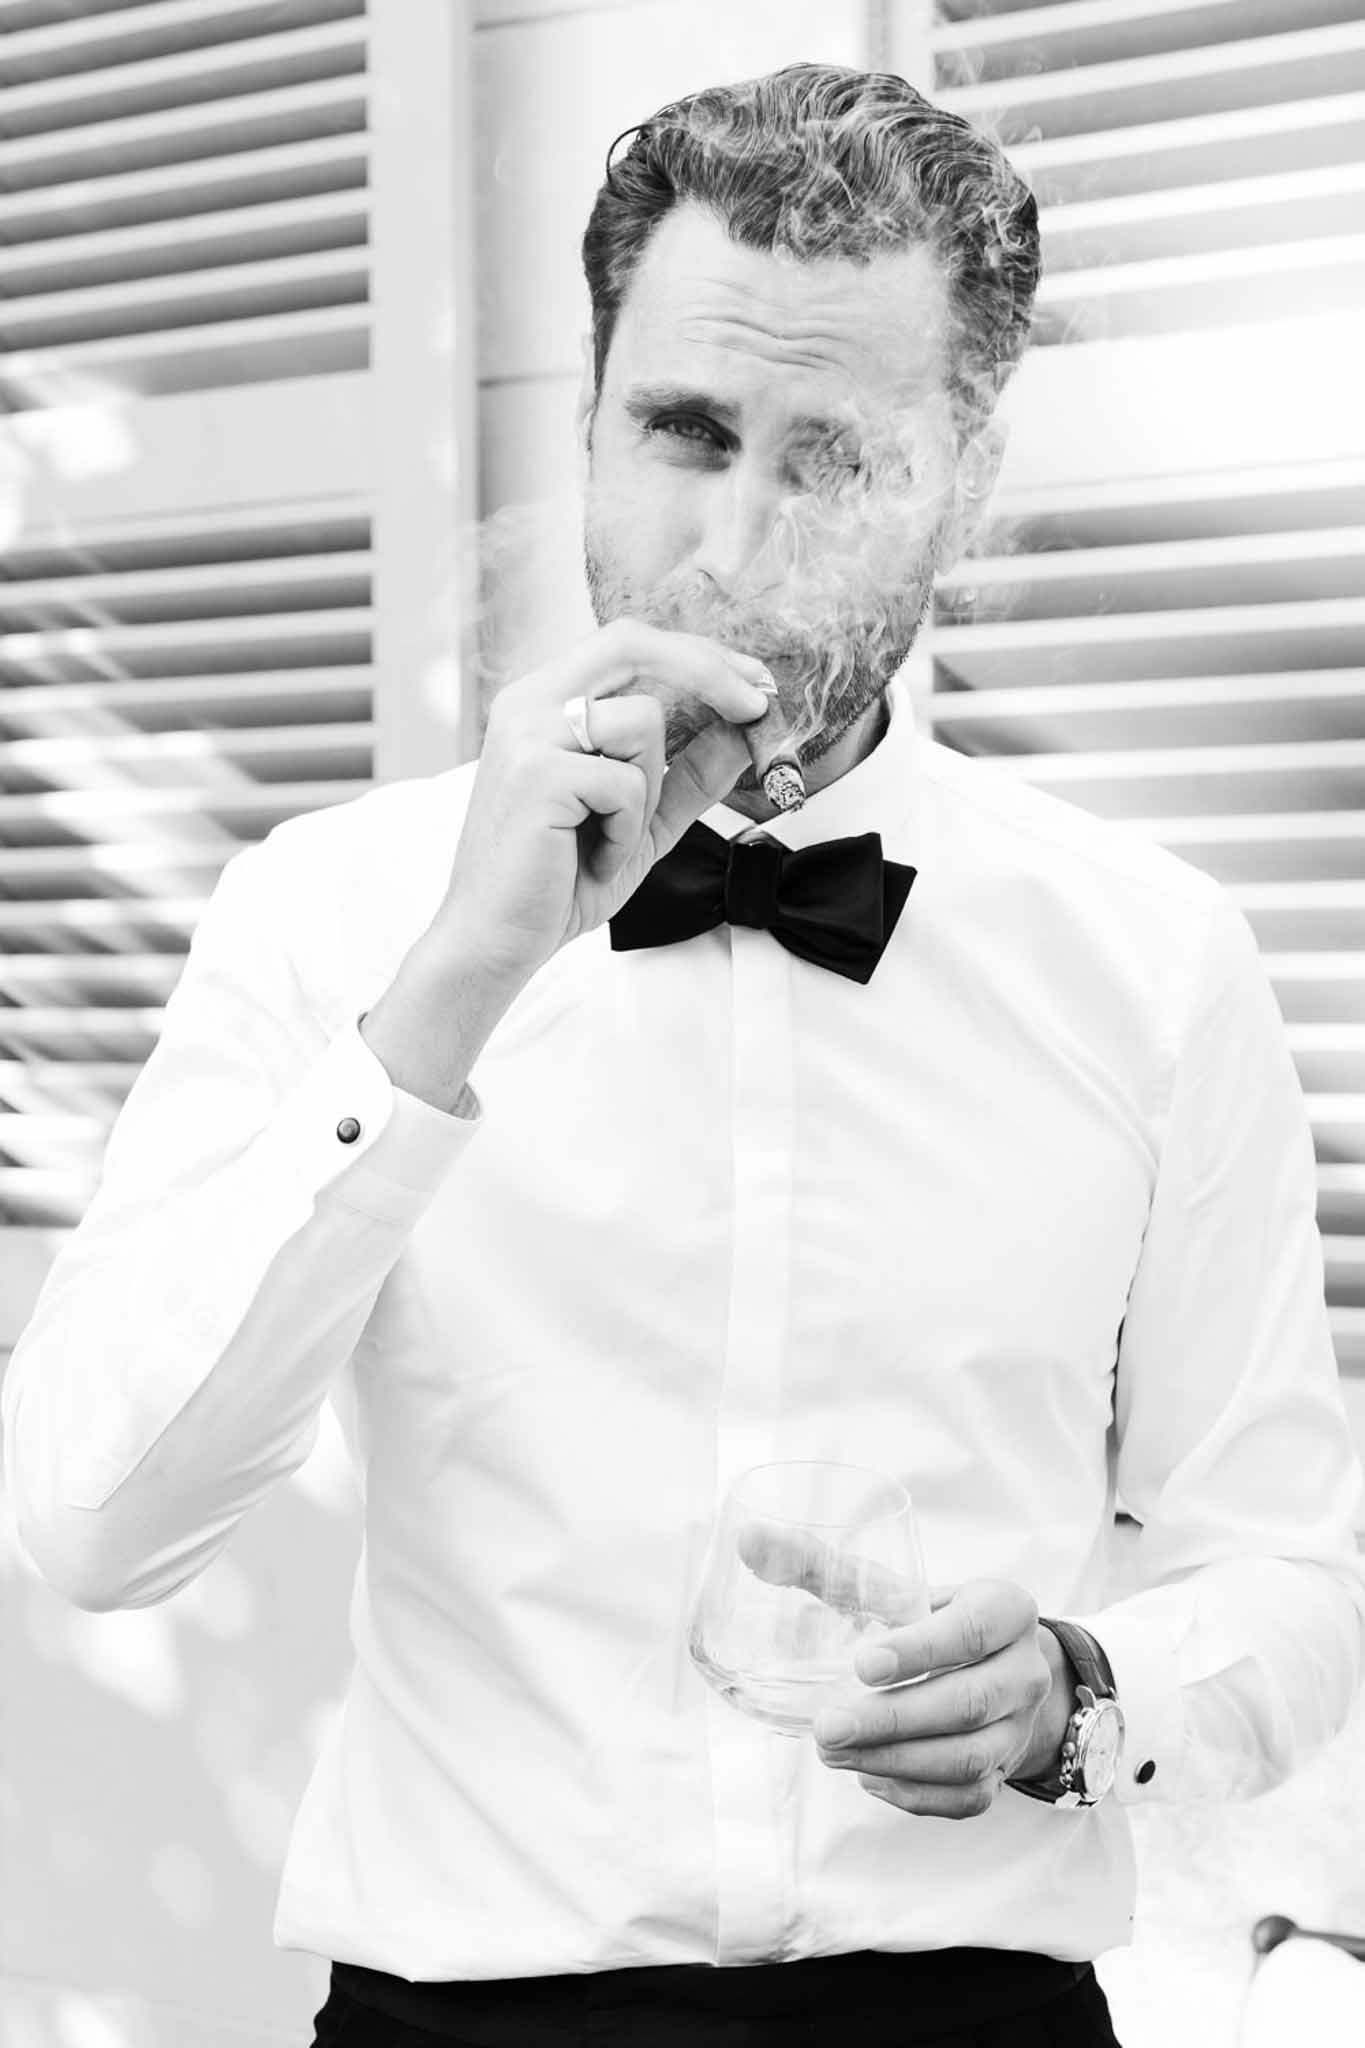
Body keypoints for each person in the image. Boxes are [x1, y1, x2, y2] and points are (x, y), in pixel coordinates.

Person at [4, 61, 1363, 2048]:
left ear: (964, 483)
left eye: (837, 455)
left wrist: (1087, 1689)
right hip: (457, 2022)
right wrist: (450, 989)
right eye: (684, 430)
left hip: (966, 2020)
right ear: (586, 426)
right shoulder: (328, 912)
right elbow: (99, 1526)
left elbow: (1290, 1579)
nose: (731, 540)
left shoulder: (1151, 964)